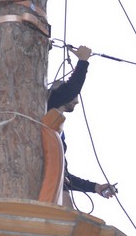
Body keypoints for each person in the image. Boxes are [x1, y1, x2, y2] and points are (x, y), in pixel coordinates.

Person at [47, 45, 117, 208]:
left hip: (56, 181)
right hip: (50, 182)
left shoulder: (57, 129)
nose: (77, 101)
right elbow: (71, 89)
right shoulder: (49, 107)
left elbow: (66, 176)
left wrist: (95, 188)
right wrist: (83, 61)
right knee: (65, 218)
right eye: (73, 97)